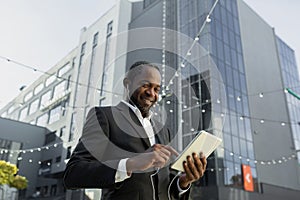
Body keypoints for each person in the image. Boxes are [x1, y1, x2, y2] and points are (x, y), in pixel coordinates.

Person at [63, 61, 207, 200]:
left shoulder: (163, 131)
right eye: (145, 85)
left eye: (157, 89)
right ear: (127, 84)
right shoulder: (105, 117)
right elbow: (73, 174)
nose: (152, 93)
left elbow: (164, 187)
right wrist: (130, 163)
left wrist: (183, 182)